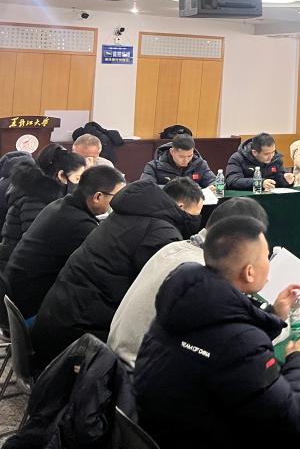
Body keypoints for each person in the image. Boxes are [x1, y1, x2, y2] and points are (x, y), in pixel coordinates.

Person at [134, 216, 300, 449]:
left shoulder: (182, 300)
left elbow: (223, 329)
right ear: (249, 272)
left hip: (158, 431)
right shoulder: (241, 343)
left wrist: (274, 315)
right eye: (266, 257)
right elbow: (288, 417)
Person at [30, 177, 205, 366]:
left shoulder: (126, 215)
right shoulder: (161, 233)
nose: (196, 221)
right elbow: (164, 297)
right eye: (196, 214)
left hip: (58, 323)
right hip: (77, 343)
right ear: (180, 207)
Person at [108, 196, 269, 368]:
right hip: (138, 371)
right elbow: (231, 344)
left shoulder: (174, 247)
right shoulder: (203, 272)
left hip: (115, 358)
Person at [4, 165, 125, 319]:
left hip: (16, 295)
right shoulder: (79, 223)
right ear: (98, 197)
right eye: (117, 196)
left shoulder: (60, 206)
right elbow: (103, 268)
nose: (120, 202)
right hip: (32, 308)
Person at [0, 144, 86, 272]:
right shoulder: (35, 197)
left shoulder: (45, 193)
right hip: (18, 267)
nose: (79, 185)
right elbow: (33, 244)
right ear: (61, 175)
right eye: (77, 178)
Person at [140, 133, 216, 188]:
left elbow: (214, 181)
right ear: (172, 152)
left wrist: (213, 186)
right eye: (181, 156)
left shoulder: (200, 164)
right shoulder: (153, 166)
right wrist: (177, 189)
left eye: (190, 156)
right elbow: (146, 187)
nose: (186, 160)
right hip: (165, 203)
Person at [225, 133, 295, 191]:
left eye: (273, 152)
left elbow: (278, 180)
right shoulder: (237, 158)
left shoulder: (276, 158)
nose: (271, 156)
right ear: (254, 152)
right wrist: (259, 183)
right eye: (266, 154)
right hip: (244, 199)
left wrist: (285, 179)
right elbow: (233, 181)